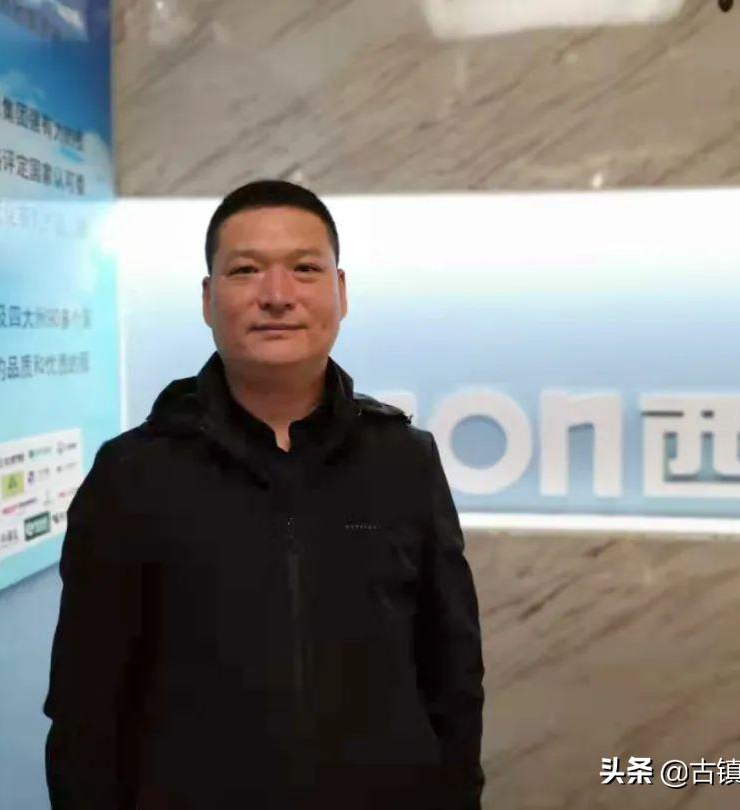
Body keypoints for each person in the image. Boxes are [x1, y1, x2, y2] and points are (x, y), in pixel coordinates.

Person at [44, 180, 484, 809]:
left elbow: (453, 675)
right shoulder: (132, 476)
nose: (276, 296)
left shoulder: (404, 460)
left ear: (341, 291)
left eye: (305, 269)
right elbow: (85, 707)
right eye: (246, 270)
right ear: (207, 297)